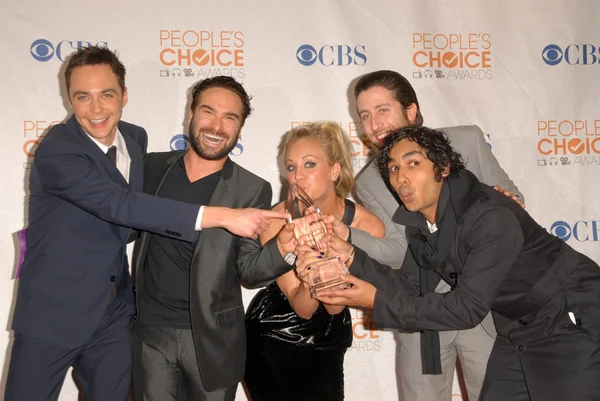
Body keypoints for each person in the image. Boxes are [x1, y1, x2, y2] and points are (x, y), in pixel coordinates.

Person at [5, 46, 288, 401]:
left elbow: (248, 266)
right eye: (83, 97)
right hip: (53, 312)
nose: (96, 109)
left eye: (106, 95)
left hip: (115, 315)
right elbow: (123, 205)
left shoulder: (135, 140)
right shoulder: (58, 150)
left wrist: (285, 244)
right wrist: (225, 216)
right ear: (69, 100)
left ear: (124, 95)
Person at [303, 126, 600, 401]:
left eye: (413, 163)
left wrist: (374, 300)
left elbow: (466, 309)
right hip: (520, 325)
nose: (401, 177)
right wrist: (351, 256)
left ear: (443, 168)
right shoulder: (423, 223)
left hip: (569, 314)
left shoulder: (489, 215)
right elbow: (411, 287)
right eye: (394, 168)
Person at [328, 70, 524, 401]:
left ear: (411, 110)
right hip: (421, 314)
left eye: (382, 110)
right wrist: (344, 234)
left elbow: (512, 200)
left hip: (484, 306)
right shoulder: (370, 182)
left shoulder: (467, 140)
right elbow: (397, 251)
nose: (374, 124)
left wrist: (509, 203)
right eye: (364, 116)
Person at [132, 76, 298, 401]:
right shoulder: (150, 168)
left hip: (213, 341)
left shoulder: (251, 189)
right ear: (190, 114)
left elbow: (250, 272)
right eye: (208, 112)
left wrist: (284, 248)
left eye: (230, 117)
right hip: (151, 334)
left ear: (239, 130)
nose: (217, 126)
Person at [244, 121, 384, 401]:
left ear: (334, 170)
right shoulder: (278, 220)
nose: (297, 177)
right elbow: (302, 306)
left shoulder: (367, 226)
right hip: (274, 331)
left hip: (330, 335)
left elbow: (335, 307)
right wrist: (309, 264)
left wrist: (329, 259)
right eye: (291, 167)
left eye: (309, 165)